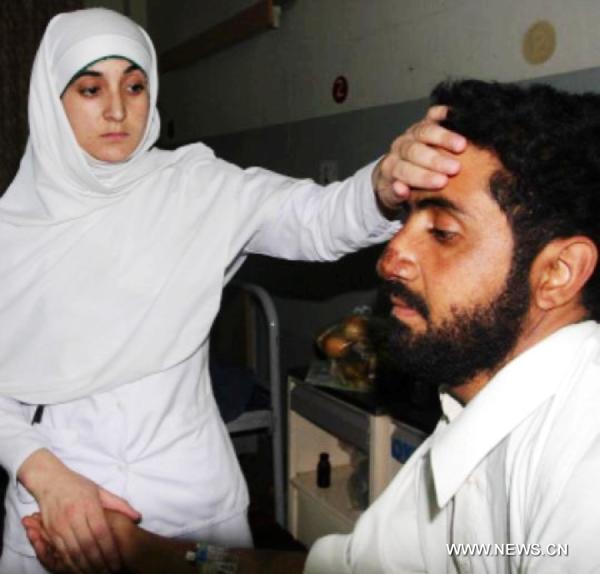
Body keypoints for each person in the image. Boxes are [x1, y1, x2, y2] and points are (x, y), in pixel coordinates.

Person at [0, 8, 465, 574]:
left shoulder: (196, 188)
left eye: (135, 85)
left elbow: (316, 219)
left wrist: (384, 182)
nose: (118, 109)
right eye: (91, 88)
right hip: (57, 516)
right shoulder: (14, 230)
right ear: (51, 100)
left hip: (187, 504)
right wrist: (44, 475)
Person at [303, 79, 600, 572]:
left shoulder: (587, 444)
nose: (391, 259)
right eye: (406, 220)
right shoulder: (472, 411)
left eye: (442, 232)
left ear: (556, 273)